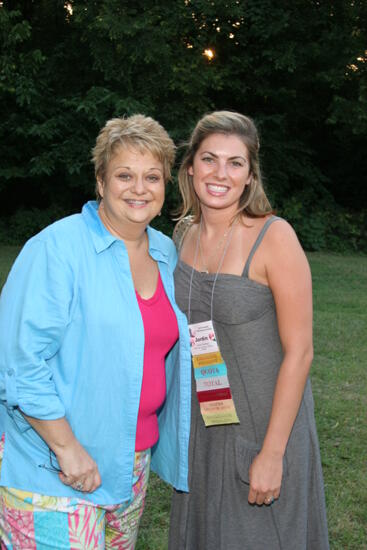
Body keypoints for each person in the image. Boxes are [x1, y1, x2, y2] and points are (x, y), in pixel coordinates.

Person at [0, 114, 191, 549]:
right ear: (101, 182)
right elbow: (18, 364)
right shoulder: (56, 249)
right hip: (53, 468)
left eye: (152, 177)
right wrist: (66, 449)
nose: (139, 188)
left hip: (130, 465)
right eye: (124, 175)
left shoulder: (165, 253)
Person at [169, 111, 329, 549]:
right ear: (190, 168)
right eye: (209, 159)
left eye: (235, 163)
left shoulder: (274, 237)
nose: (220, 173)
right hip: (205, 426)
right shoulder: (183, 235)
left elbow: (300, 353)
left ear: (250, 176)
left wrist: (273, 454)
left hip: (266, 427)